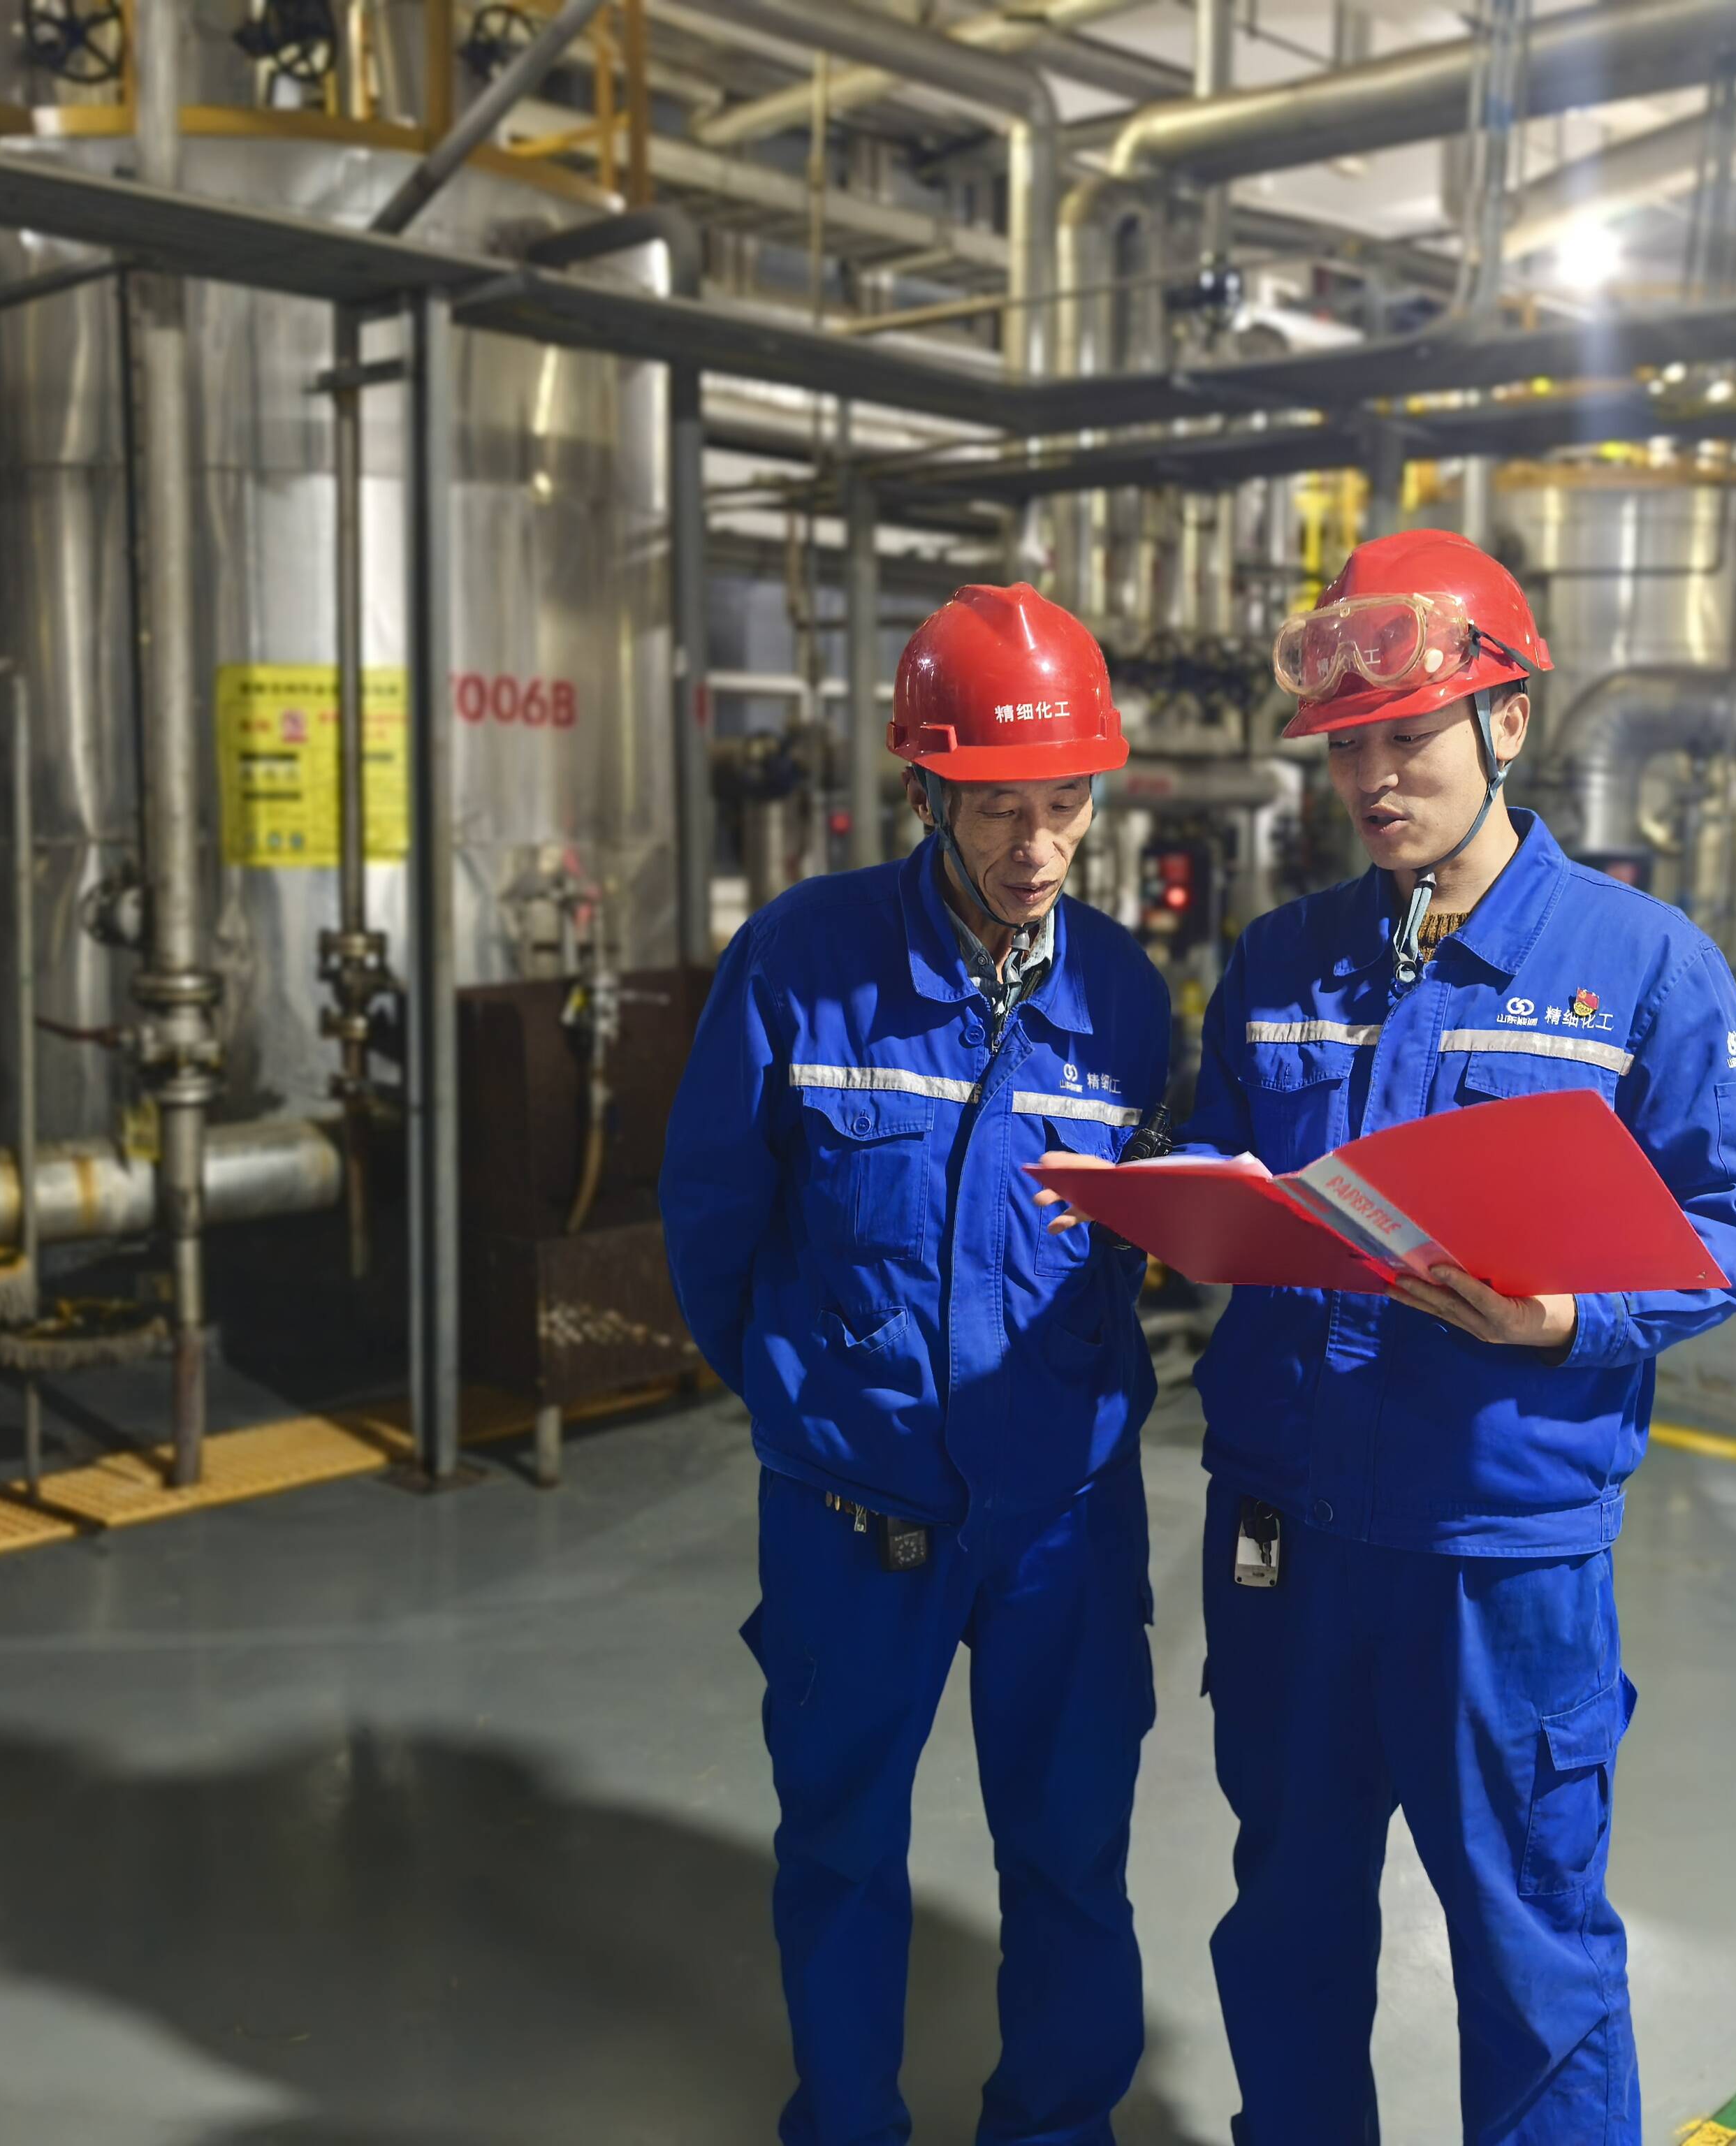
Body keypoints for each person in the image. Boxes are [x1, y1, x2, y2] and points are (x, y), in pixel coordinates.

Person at [1054, 530, 1736, 2143]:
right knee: (1288, 1913)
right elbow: (1233, 1163)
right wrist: (1174, 1207)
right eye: (1347, 750)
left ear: (1505, 721)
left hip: (1493, 1546)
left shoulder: (1638, 967)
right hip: (1283, 1532)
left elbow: (1734, 1227)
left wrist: (1568, 1317)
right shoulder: (1281, 960)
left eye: (1408, 738)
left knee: (1530, 1943)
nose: (1374, 781)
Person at [662, 583, 1173, 2146]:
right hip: (852, 1513)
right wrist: (817, 1402)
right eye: (1001, 806)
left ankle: (1056, 2128)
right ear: (927, 791)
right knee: (837, 1849)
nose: (1039, 846)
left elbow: (1137, 1238)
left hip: (1063, 1520)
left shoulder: (1125, 998)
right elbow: (712, 1223)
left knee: (1072, 1856)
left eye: (1067, 804)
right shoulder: (798, 963)